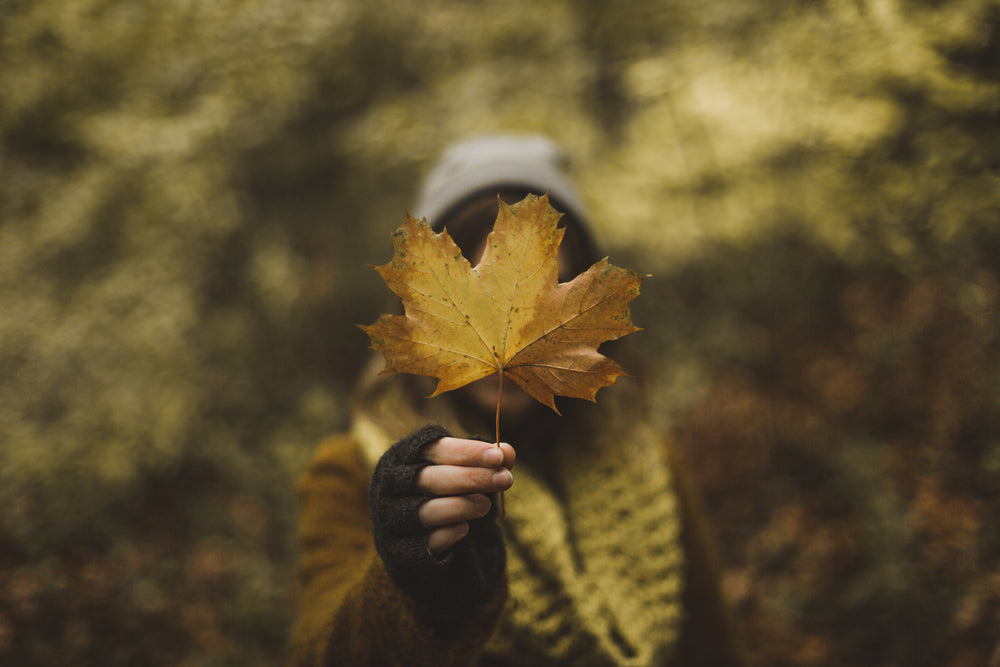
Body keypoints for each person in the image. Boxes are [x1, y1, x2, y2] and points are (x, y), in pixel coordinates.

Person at [288, 134, 743, 666]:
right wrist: (411, 585)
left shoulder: (649, 458)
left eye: (547, 286)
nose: (515, 324)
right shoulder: (349, 474)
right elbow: (317, 652)